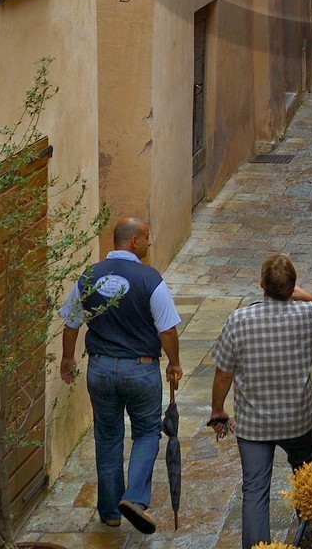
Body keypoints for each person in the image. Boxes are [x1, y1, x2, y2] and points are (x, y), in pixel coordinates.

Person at [209, 253, 312, 549]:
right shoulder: (309, 314)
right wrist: (309, 297)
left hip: (254, 426)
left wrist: (218, 409)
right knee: (307, 475)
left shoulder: (239, 321)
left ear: (261, 284)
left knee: (256, 490)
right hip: (298, 419)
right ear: (292, 287)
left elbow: (223, 374)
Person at [59, 216, 182, 535]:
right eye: (146, 237)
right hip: (139, 370)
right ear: (133, 242)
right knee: (146, 432)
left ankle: (111, 512)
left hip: (100, 369)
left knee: (108, 435)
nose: (149, 243)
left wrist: (68, 359)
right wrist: (174, 362)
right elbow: (167, 329)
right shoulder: (149, 279)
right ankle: (135, 498)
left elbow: (71, 322)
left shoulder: (88, 276)